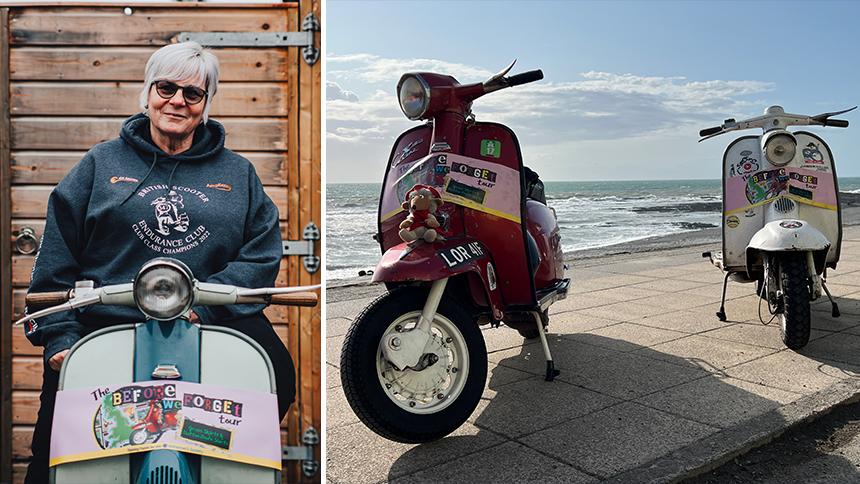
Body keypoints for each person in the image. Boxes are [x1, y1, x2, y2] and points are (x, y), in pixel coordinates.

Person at [23, 41, 295, 482]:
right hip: (104, 322)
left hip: (209, 317)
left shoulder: (238, 173)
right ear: (148, 92)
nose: (177, 101)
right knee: (53, 455)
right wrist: (59, 337)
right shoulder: (100, 164)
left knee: (277, 374)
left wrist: (201, 305)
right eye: (166, 88)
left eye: (193, 93)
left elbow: (262, 254)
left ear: (206, 104)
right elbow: (56, 255)